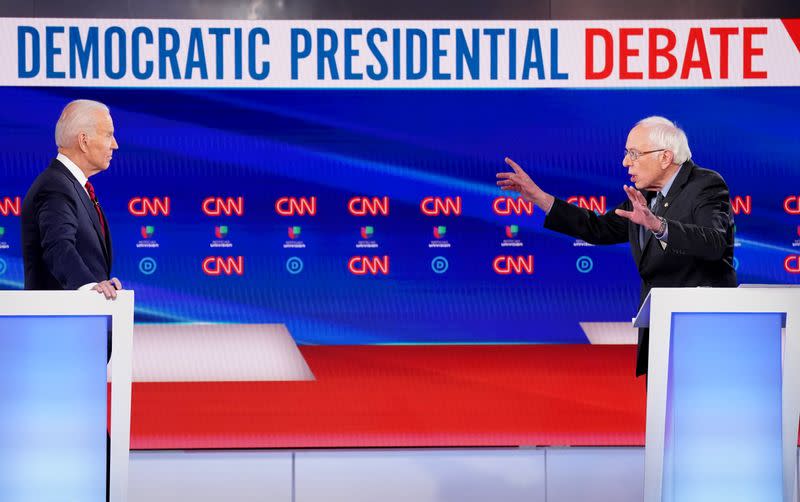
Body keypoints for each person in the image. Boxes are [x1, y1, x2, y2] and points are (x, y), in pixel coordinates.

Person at [496, 116, 737, 376]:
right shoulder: (644, 195)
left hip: (702, 328)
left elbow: (714, 242)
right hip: (661, 327)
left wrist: (659, 226)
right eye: (626, 154)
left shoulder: (705, 185)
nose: (625, 162)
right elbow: (598, 228)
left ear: (665, 157)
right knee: (663, 415)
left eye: (634, 153)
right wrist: (540, 198)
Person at [21, 99, 121, 299]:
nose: (115, 145)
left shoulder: (70, 185)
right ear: (83, 141)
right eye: (109, 135)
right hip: (60, 323)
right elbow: (57, 245)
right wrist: (89, 286)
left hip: (81, 319)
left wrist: (102, 286)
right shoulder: (56, 186)